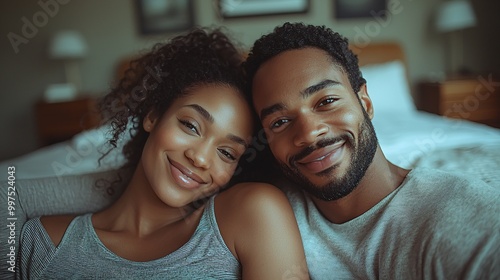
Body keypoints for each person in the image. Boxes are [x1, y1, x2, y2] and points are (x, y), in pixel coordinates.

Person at [16, 27, 308, 280]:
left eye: (228, 153)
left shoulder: (253, 213)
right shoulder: (43, 243)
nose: (201, 158)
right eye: (190, 125)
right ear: (153, 116)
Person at [242, 22, 500, 279]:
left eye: (327, 101)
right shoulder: (266, 208)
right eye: (280, 122)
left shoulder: (463, 220)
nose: (308, 133)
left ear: (365, 102)